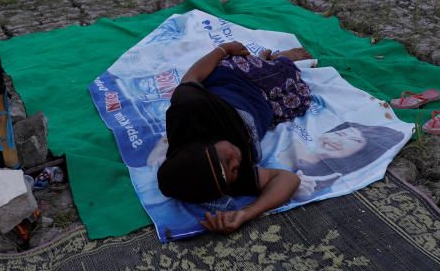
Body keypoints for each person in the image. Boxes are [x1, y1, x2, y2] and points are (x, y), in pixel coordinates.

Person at [157, 42, 314, 234]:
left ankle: (279, 59)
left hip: (237, 78)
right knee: (299, 99)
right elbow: (288, 180)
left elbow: (192, 77)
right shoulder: (214, 178)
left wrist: (223, 49)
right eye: (233, 172)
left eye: (227, 159)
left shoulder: (189, 110)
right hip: (263, 107)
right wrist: (247, 212)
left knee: (285, 72)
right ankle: (267, 60)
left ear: (206, 145)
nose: (236, 162)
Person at [274, 121, 408, 201]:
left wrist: (294, 193)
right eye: (340, 134)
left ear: (357, 156)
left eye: (354, 141)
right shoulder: (285, 136)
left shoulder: (319, 187)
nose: (336, 141)